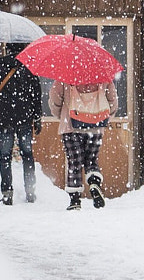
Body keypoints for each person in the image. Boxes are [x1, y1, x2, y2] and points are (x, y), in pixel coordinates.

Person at [0, 42, 42, 205]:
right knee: (27, 155)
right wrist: (37, 118)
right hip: (24, 117)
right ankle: (30, 191)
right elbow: (37, 95)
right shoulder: (29, 67)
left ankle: (7, 192)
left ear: (7, 49)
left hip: (4, 117)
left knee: (5, 156)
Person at [49, 78, 118, 210]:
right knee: (91, 160)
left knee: (74, 162)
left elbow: (55, 98)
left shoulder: (65, 74)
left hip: (71, 125)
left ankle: (75, 200)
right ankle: (93, 182)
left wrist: (61, 114)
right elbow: (112, 100)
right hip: (95, 125)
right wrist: (105, 118)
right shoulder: (102, 75)